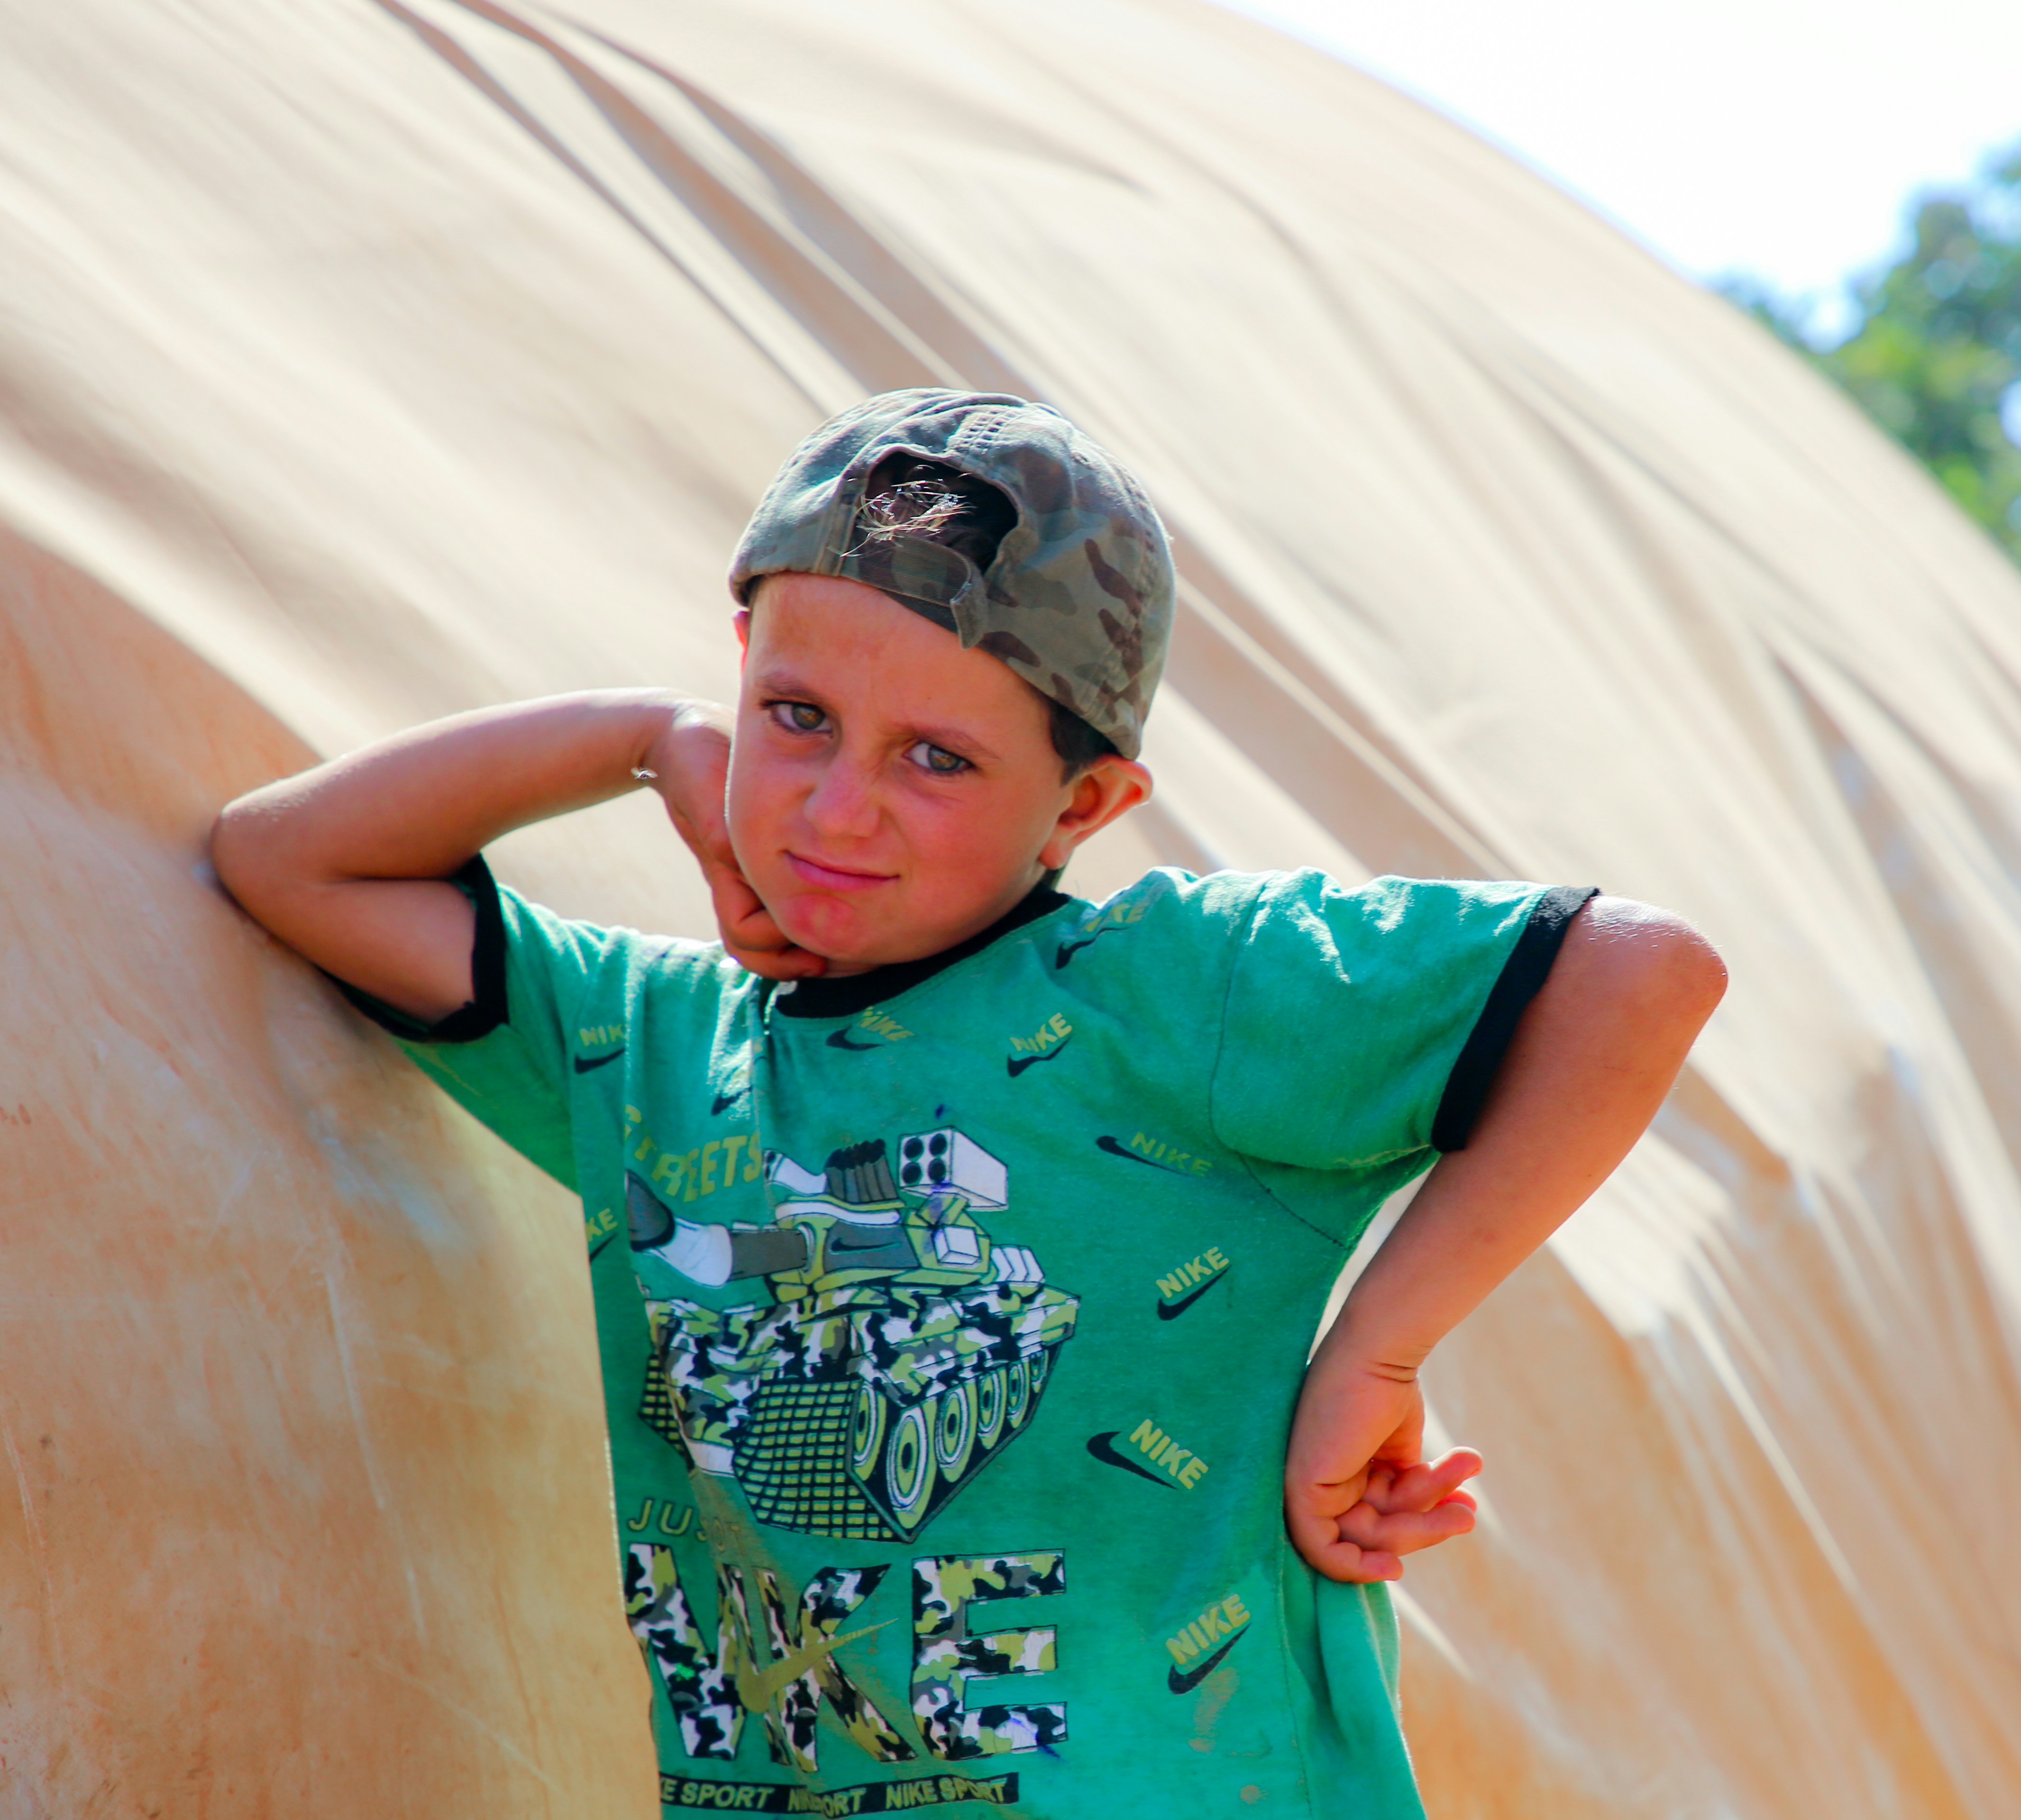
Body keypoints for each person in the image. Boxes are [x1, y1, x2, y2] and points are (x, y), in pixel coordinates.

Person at [209, 390, 1725, 1817]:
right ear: (740, 663)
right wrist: (646, 739)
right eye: (795, 715)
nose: (839, 804)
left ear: (1086, 805)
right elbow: (290, 858)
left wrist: (1376, 1356)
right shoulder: (652, 1050)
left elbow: (1641, 974)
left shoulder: (1167, 994)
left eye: (938, 757)